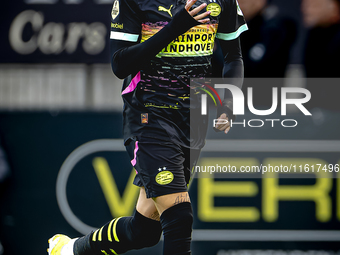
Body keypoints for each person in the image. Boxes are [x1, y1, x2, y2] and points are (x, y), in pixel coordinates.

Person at [48, 0, 247, 254]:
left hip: (192, 121)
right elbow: (120, 64)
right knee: (179, 215)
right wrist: (178, 26)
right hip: (148, 116)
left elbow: (234, 56)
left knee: (144, 230)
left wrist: (227, 102)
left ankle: (71, 250)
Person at [302, 0, 340, 110]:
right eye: (305, 5)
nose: (306, 10)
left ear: (333, 7)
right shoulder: (314, 35)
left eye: (314, 5)